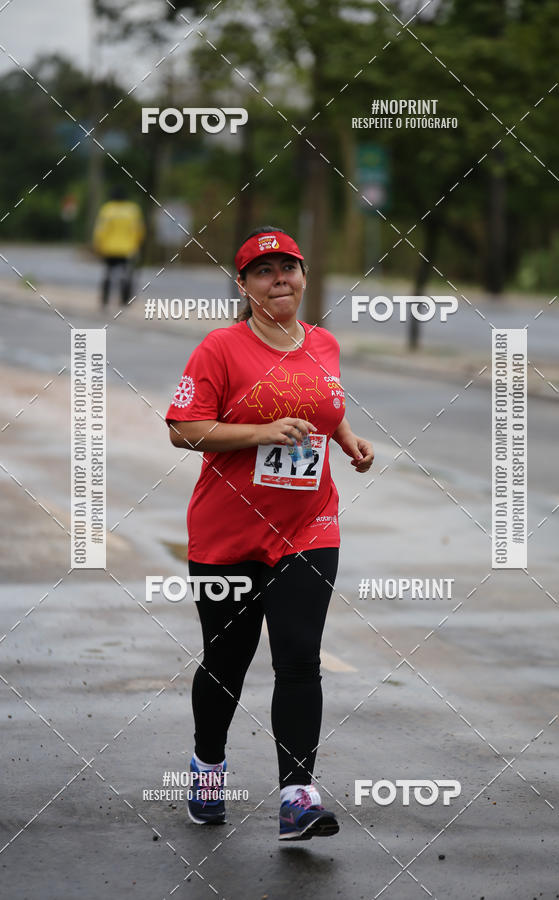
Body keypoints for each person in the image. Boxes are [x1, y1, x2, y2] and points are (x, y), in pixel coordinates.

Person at [165, 226, 374, 841]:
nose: (278, 278)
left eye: (288, 267)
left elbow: (323, 407)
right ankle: (208, 767)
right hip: (228, 532)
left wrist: (346, 438)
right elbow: (182, 429)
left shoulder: (324, 344)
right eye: (263, 271)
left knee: (300, 657)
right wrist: (261, 432)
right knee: (226, 662)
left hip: (310, 526)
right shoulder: (220, 348)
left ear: (303, 276)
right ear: (244, 286)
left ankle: (297, 799)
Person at [92, 186, 145, 307]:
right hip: (128, 248)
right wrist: (138, 243)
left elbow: (101, 229)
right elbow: (138, 229)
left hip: (109, 248)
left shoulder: (107, 209)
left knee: (108, 272)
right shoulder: (132, 210)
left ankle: (105, 298)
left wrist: (97, 244)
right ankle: (125, 299)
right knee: (126, 274)